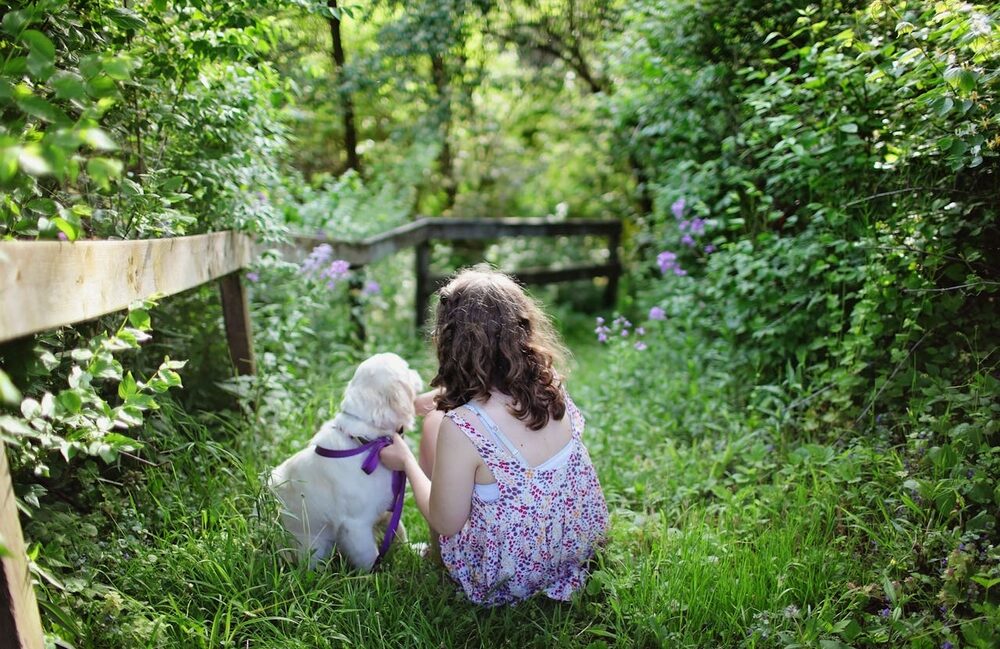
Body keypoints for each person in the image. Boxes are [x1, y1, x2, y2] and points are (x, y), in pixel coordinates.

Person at [378, 267, 609, 605]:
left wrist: (407, 462)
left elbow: (446, 521)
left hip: (508, 574)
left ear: (452, 341)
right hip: (574, 546)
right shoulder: (550, 383)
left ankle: (438, 557)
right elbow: (492, 402)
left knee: (433, 425)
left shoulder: (461, 427)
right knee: (437, 418)